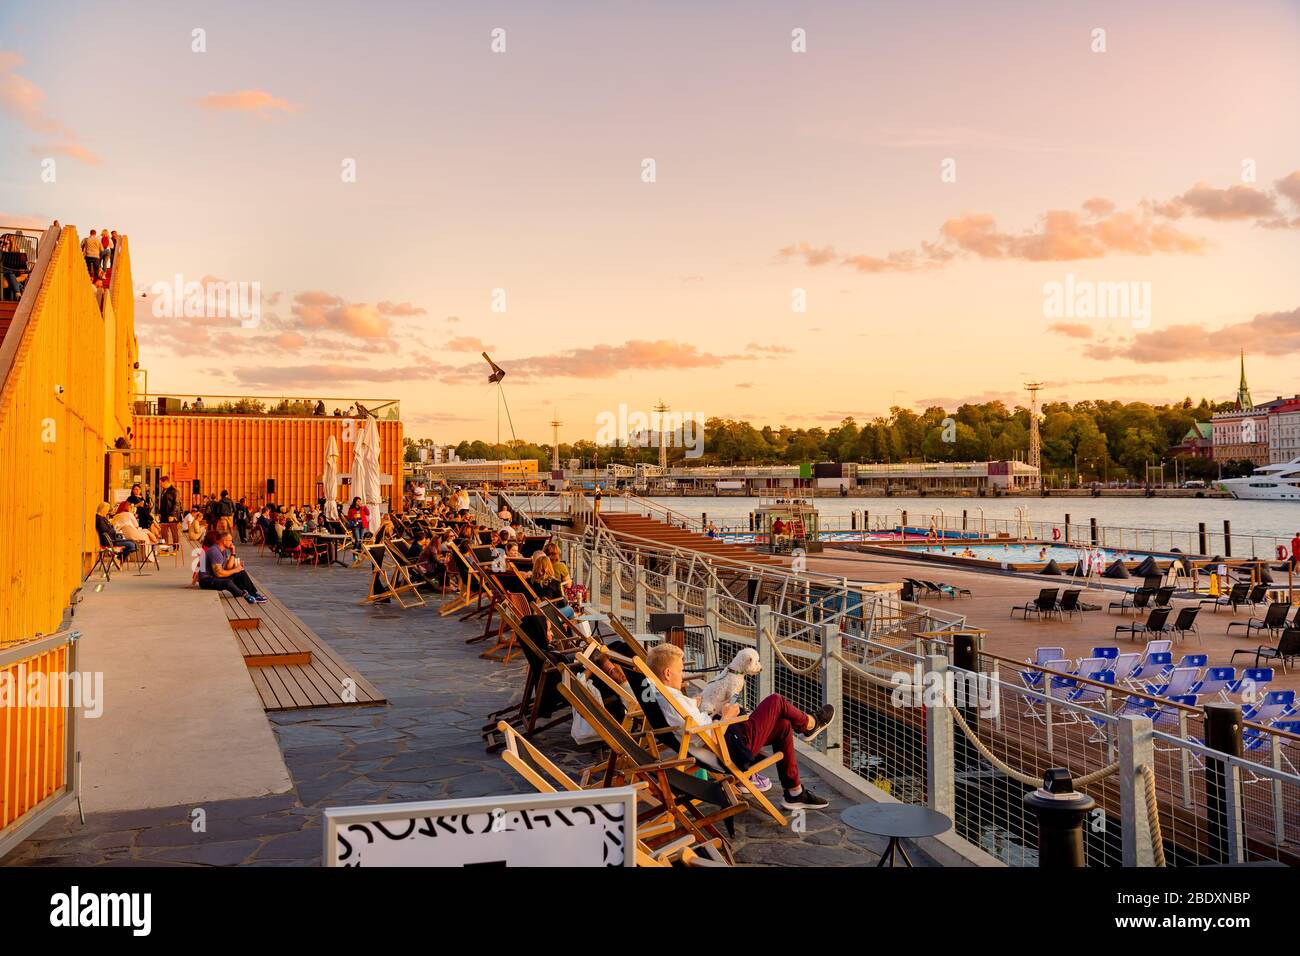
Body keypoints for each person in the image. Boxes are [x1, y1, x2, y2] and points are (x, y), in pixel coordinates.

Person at [646, 642, 833, 810]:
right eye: (680, 670)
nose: (683, 674)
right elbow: (708, 737)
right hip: (729, 748)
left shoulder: (663, 696)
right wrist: (726, 716)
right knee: (775, 701)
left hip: (724, 739)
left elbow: (691, 725)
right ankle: (810, 723)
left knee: (783, 725)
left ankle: (794, 792)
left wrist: (696, 705)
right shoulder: (674, 701)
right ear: (667, 673)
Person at [199, 530, 268, 604]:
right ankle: (244, 594)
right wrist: (235, 570)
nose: (232, 543)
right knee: (228, 582)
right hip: (206, 580)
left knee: (240, 573)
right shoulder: (214, 551)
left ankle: (254, 594)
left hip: (214, 577)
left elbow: (227, 567)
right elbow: (219, 574)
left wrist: (233, 553)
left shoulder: (223, 550)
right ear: (224, 541)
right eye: (230, 540)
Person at [157, 475, 180, 548]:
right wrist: (159, 513)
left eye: (161, 483)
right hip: (164, 515)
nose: (160, 485)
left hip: (171, 515)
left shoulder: (174, 491)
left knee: (174, 532)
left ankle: (175, 548)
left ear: (166, 482)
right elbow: (162, 503)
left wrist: (172, 515)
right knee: (163, 533)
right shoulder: (164, 491)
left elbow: (176, 504)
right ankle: (165, 548)